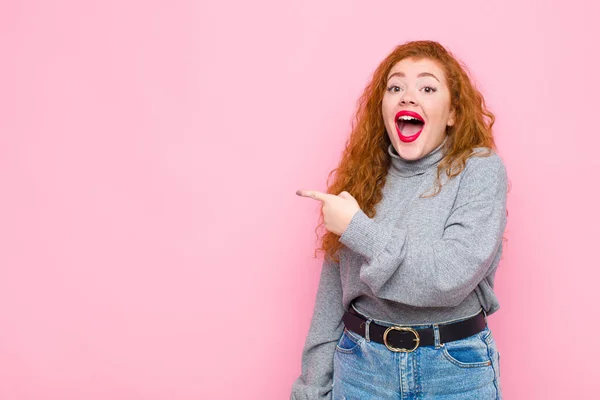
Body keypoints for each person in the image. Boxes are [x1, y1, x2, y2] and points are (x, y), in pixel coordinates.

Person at [291, 40, 507, 399]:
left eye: (426, 87)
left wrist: (357, 228)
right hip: (361, 368)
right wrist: (311, 389)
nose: (408, 97)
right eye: (395, 87)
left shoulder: (480, 169)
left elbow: (450, 275)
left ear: (453, 113)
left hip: (454, 370)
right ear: (383, 108)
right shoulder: (361, 179)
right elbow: (332, 297)